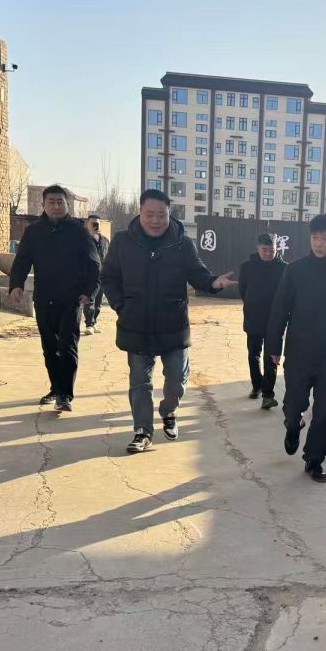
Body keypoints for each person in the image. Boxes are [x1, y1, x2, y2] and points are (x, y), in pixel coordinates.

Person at [100, 189, 237, 454]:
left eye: (161, 215)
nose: (155, 220)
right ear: (140, 213)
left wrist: (213, 283)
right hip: (136, 325)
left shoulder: (182, 243)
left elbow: (198, 273)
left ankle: (169, 410)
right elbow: (108, 277)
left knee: (176, 379)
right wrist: (121, 306)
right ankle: (142, 431)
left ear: (168, 213)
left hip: (173, 324)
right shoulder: (123, 242)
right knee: (140, 382)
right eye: (149, 214)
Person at [267, 213, 326, 483]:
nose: (319, 244)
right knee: (293, 405)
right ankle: (293, 425)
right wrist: (274, 345)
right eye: (315, 238)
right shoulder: (295, 270)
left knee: (323, 414)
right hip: (299, 352)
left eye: (325, 239)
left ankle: (314, 460)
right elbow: (279, 310)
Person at [9, 184, 100, 413]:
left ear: (67, 205)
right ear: (43, 204)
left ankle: (65, 394)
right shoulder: (34, 232)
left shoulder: (78, 231)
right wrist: (16, 285)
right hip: (44, 298)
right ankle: (55, 388)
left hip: (71, 300)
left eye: (60, 202)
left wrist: (89, 291)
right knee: (49, 348)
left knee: (67, 346)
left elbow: (94, 264)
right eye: (51, 202)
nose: (56, 206)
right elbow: (22, 261)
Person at [238, 234, 287, 410]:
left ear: (276, 248)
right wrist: (252, 305)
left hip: (275, 320)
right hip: (254, 318)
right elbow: (243, 290)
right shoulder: (247, 267)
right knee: (253, 354)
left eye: (271, 250)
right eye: (264, 250)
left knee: (271, 357)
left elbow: (287, 295)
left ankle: (268, 394)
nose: (267, 253)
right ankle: (256, 385)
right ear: (257, 248)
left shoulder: (284, 269)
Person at [82, 214, 109, 336]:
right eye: (93, 223)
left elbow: (108, 256)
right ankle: (89, 324)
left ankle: (94, 322)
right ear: (87, 224)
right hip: (88, 276)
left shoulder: (105, 241)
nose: (96, 225)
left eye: (97, 223)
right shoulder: (83, 240)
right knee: (90, 299)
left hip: (102, 275)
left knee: (98, 302)